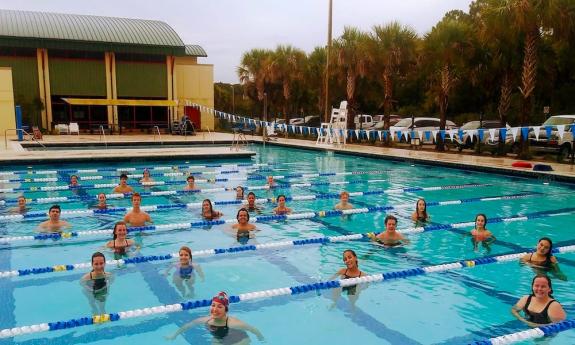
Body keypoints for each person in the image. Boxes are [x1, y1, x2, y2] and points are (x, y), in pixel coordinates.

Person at [166, 291, 264, 342]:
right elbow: (188, 325)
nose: (215, 309)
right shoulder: (206, 320)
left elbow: (253, 329)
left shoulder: (233, 323)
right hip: (220, 337)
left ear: (226, 310)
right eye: (213, 305)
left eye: (219, 307)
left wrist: (261, 339)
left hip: (240, 341)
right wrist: (173, 336)